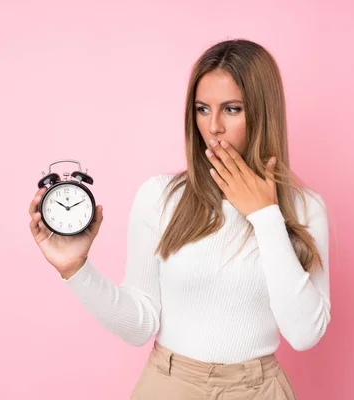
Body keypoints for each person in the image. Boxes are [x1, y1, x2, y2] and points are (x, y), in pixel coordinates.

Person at [28, 38, 330, 399]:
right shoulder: (160, 197)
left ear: (263, 113)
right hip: (170, 384)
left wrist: (265, 216)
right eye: (203, 109)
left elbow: (303, 334)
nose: (214, 126)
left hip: (258, 389)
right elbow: (140, 326)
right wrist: (76, 270)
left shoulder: (305, 208)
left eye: (232, 109)